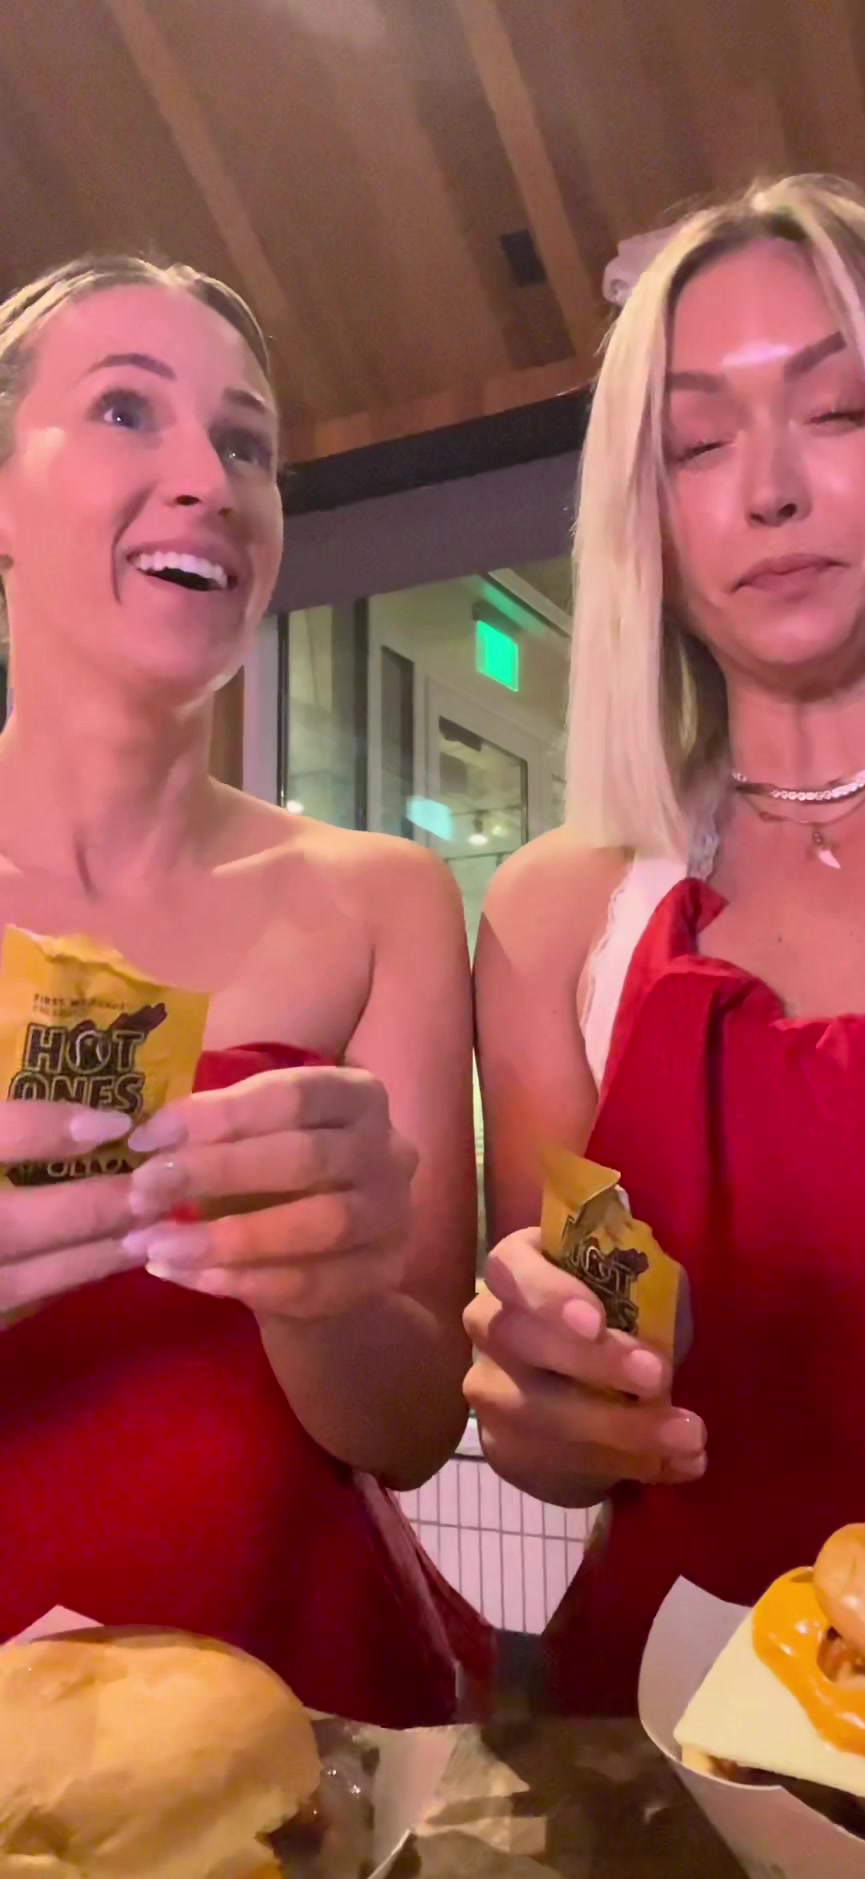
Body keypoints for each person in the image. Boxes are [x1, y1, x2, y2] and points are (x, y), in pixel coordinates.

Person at [467, 174, 865, 1715]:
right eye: (698, 444)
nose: (771, 491)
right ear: (647, 517)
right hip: (677, 1760)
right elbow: (569, 1391)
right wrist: (544, 1413)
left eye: (837, 412)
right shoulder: (560, 921)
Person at [0, 255, 489, 1722]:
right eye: (125, 410)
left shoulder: (383, 900)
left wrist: (324, 1296)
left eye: (247, 446)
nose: (206, 481)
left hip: (308, 1701)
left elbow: (411, 1428)